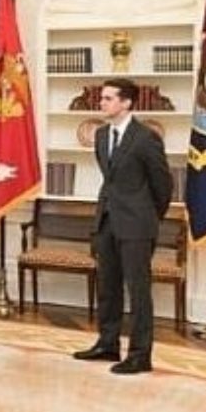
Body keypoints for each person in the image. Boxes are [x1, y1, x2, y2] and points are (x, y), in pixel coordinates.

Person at [74, 78, 172, 375]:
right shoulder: (102, 135)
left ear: (126, 102)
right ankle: (108, 344)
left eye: (107, 98)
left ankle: (141, 354)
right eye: (101, 98)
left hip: (137, 225)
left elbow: (163, 185)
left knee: (138, 291)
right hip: (107, 221)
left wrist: (149, 218)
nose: (101, 103)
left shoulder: (146, 137)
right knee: (108, 287)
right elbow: (111, 179)